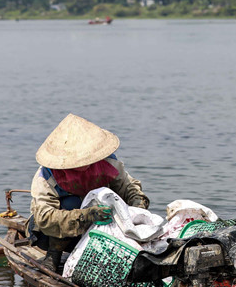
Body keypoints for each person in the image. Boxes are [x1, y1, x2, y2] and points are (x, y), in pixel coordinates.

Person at [30, 113, 150, 271]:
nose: (85, 164)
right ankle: (54, 254)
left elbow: (129, 188)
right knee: (69, 203)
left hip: (102, 226)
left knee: (113, 198)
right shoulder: (47, 176)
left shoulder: (107, 163)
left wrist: (138, 208)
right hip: (58, 232)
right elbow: (43, 217)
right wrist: (86, 216)